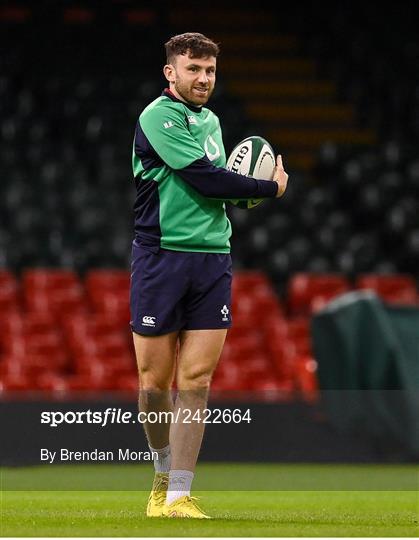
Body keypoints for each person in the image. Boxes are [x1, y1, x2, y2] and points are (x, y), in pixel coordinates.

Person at [130, 32, 289, 519]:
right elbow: (205, 177)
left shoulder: (214, 120)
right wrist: (268, 188)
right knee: (153, 384)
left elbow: (223, 192)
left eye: (210, 71)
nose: (203, 79)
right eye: (193, 69)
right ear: (170, 73)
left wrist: (249, 194)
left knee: (196, 379)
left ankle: (178, 494)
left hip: (212, 258)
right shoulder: (157, 116)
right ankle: (160, 472)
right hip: (161, 258)